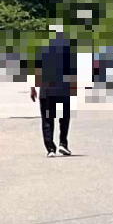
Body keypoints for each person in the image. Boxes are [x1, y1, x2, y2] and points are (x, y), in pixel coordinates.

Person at [31, 24, 78, 156]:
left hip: (46, 89)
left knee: (47, 118)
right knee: (64, 117)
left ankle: (50, 148)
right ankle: (63, 143)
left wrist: (33, 87)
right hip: (63, 88)